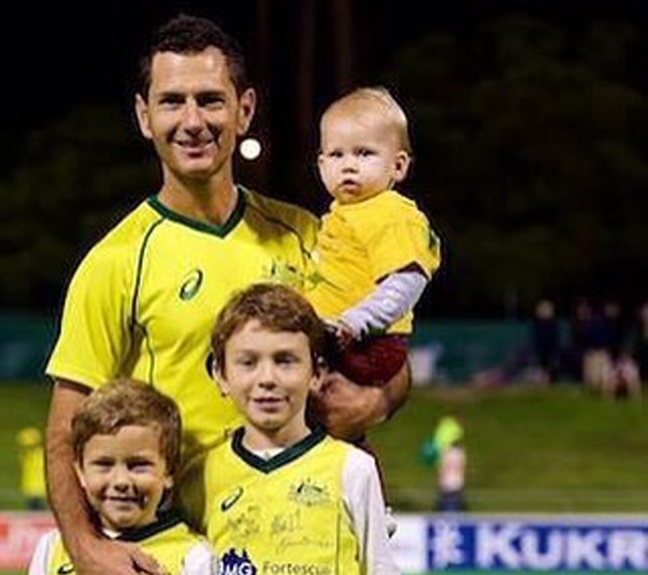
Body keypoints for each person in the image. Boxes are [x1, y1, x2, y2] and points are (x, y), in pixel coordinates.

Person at [43, 14, 412, 575]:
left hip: (299, 541)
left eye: (211, 101)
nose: (192, 121)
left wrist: (377, 402)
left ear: (244, 109)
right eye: (172, 102)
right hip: (186, 543)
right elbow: (65, 429)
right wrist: (86, 546)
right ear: (145, 117)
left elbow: (392, 356)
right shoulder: (116, 261)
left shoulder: (311, 237)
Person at [201, 283, 399, 574]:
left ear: (316, 373)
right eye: (248, 362)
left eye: (285, 361)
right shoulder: (201, 475)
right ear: (221, 375)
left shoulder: (353, 468)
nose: (267, 378)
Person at [307, 86, 441, 391]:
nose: (349, 164)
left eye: (364, 153)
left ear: (398, 165)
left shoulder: (391, 213)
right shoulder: (340, 215)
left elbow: (407, 281)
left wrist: (357, 321)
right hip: (339, 335)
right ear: (322, 165)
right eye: (337, 154)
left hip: (370, 341)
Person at [28, 379, 216, 575]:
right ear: (80, 472)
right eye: (104, 465)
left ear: (169, 471)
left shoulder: (195, 558)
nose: (121, 482)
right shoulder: (52, 549)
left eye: (138, 465)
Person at [17, 426, 47, 510]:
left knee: (39, 516)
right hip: (30, 491)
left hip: (40, 492)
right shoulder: (25, 456)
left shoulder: (40, 455)